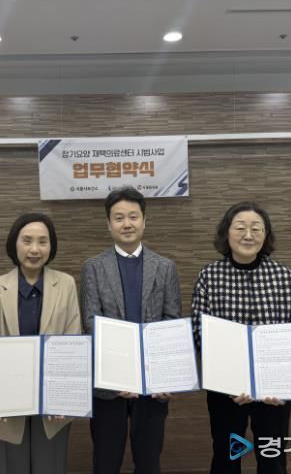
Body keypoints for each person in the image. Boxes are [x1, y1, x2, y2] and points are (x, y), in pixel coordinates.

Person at [191, 201, 291, 474]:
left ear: (266, 235)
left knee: (272, 459)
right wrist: (232, 381)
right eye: (240, 228)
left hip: (274, 390)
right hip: (226, 390)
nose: (248, 235)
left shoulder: (284, 276)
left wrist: (280, 382)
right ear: (226, 232)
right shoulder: (209, 276)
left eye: (256, 228)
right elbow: (200, 332)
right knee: (226, 457)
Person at [80, 186, 181, 474]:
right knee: (105, 461)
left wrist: (164, 374)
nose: (127, 224)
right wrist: (117, 375)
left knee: (149, 462)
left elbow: (171, 322)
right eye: (119, 217)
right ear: (108, 224)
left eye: (133, 217)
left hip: (152, 385)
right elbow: (91, 323)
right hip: (109, 387)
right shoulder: (93, 267)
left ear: (144, 221)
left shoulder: (165, 267)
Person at [0, 213, 81, 474]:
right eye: (27, 241)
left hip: (54, 402)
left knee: (50, 466)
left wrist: (65, 396)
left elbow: (73, 343)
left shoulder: (66, 284)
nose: (34, 249)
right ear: (14, 244)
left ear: (51, 246)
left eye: (42, 242)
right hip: (8, 399)